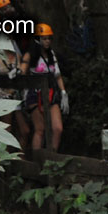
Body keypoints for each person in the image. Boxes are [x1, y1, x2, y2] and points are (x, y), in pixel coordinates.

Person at [20, 23, 68, 151]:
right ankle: (37, 158)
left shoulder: (51, 54)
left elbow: (57, 75)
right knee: (40, 129)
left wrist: (63, 92)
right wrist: (19, 72)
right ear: (38, 39)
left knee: (57, 128)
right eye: (44, 38)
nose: (47, 41)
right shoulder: (30, 54)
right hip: (34, 94)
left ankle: (52, 156)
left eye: (49, 38)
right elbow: (22, 71)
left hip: (51, 92)